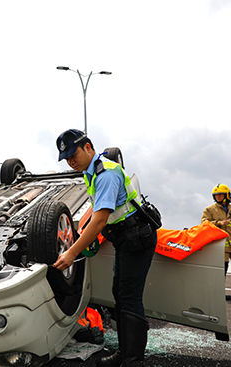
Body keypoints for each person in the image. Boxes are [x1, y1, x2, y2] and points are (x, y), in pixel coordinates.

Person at [53, 129, 157, 367]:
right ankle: (125, 353)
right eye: (66, 158)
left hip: (137, 239)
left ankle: (133, 361)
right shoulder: (91, 173)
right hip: (124, 239)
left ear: (88, 147)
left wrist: (72, 252)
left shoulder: (106, 173)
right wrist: (80, 236)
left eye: (73, 154)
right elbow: (96, 215)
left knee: (129, 298)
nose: (70, 161)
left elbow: (100, 219)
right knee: (119, 294)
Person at [201, 184, 231, 301]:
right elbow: (204, 223)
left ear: (227, 195)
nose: (218, 197)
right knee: (221, 271)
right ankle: (219, 295)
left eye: (220, 195)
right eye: (216, 195)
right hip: (221, 247)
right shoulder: (209, 210)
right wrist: (219, 223)